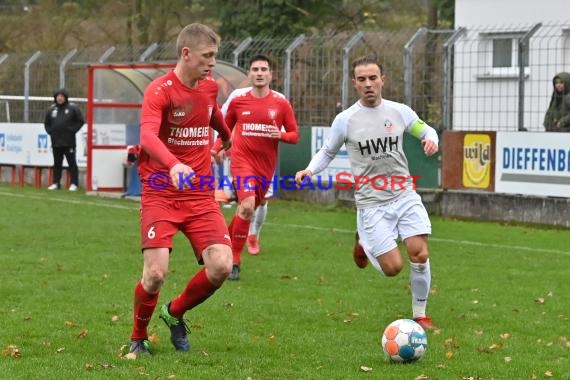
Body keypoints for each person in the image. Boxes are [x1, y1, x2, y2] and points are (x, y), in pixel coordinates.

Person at [295, 55, 438, 330]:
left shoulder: (399, 111)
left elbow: (424, 129)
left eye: (373, 78)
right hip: (371, 203)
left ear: (383, 80)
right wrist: (309, 171)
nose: (368, 84)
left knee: (419, 254)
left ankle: (420, 315)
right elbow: (327, 152)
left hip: (404, 194)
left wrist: (430, 139)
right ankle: (362, 240)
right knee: (393, 268)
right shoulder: (345, 120)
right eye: (362, 79)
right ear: (354, 84)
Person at [128, 23, 233, 356]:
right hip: (161, 191)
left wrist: (226, 135)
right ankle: (138, 337)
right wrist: (173, 165)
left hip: (200, 192)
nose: (212, 62)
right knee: (155, 275)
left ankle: (174, 313)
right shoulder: (160, 91)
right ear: (186, 53)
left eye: (215, 56)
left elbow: (211, 114)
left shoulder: (209, 87)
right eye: (208, 55)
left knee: (221, 266)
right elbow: (147, 137)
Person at [215, 54, 299, 280]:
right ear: (249, 74)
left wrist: (280, 135)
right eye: (255, 69)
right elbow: (225, 126)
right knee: (248, 204)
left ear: (270, 74)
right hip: (241, 161)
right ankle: (234, 262)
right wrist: (217, 148)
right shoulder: (239, 100)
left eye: (264, 69)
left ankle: (225, 243)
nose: (259, 73)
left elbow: (294, 135)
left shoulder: (280, 102)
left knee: (250, 207)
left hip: (265, 167)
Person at [44, 88, 84, 191]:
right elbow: (47, 123)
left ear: (65, 97)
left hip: (69, 141)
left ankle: (74, 184)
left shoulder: (72, 108)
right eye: (58, 96)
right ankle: (56, 183)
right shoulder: (52, 109)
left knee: (72, 163)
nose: (60, 98)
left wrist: (72, 130)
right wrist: (51, 132)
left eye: (61, 96)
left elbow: (80, 121)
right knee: (57, 163)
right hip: (56, 142)